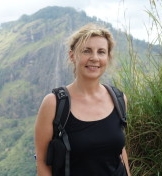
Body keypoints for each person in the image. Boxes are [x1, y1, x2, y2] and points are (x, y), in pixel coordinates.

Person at [34, 23, 131, 176]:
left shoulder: (118, 99)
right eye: (86, 51)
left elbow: (120, 152)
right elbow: (42, 162)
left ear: (107, 57)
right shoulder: (54, 103)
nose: (94, 58)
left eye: (101, 52)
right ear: (72, 55)